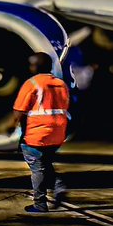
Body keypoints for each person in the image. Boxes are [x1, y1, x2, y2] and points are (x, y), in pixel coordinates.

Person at [11, 52, 71, 212]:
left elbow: (19, 111)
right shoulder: (61, 84)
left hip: (38, 134)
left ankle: (40, 203)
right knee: (44, 162)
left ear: (35, 66)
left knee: (37, 167)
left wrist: (12, 127)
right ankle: (58, 186)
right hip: (57, 134)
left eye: (32, 64)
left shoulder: (32, 84)